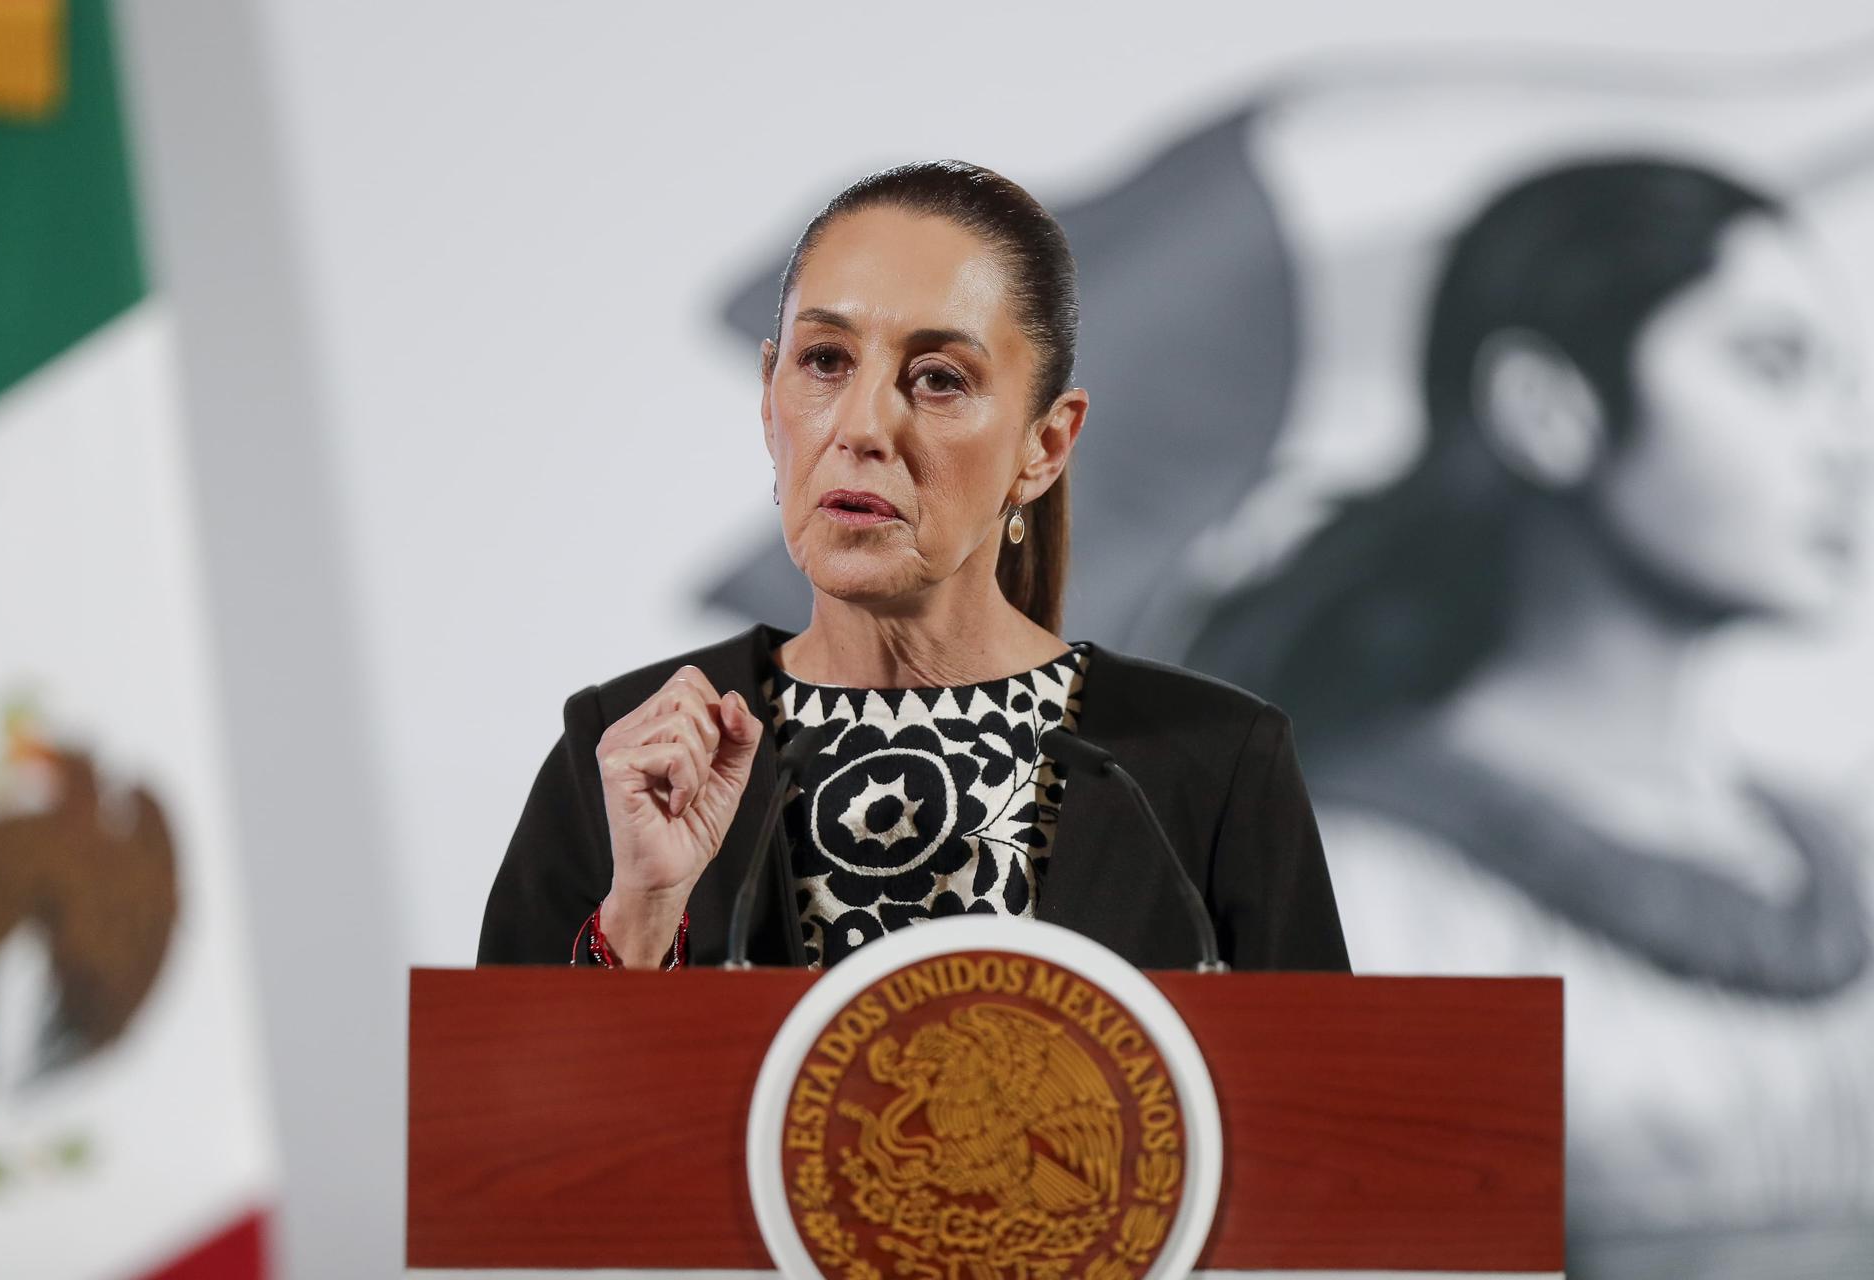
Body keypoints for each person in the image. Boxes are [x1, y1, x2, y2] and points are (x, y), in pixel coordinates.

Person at [1181, 157, 1873, 1276]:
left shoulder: (1841, 850)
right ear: (1547, 408)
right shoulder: (1366, 895)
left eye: (1844, 383)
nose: (1844, 444)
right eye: (1771, 366)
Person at [478, 160, 1350, 975]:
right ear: (768, 397)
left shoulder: (1216, 764)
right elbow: (509, 1124)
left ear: (1045, 447)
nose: (861, 428)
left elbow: (1327, 1123)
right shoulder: (628, 757)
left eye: (937, 378)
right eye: (824, 362)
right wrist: (643, 912)